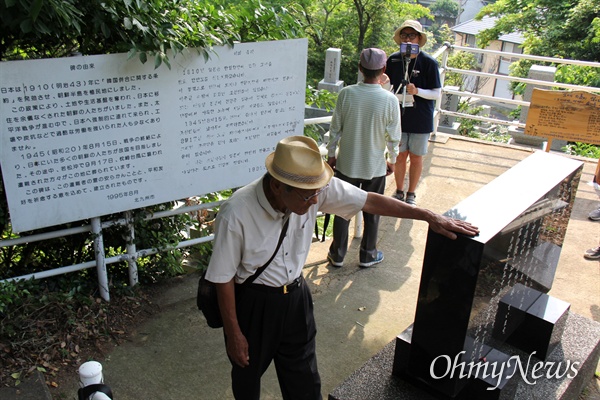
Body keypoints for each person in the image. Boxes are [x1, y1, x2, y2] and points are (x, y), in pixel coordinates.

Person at [204, 135, 479, 400]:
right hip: (255, 304)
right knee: (247, 375)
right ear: (278, 186)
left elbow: (369, 200)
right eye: (307, 197)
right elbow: (222, 277)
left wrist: (428, 216)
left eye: (318, 194)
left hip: (296, 298)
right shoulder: (237, 212)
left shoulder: (312, 188)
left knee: (305, 378)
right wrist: (234, 333)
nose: (316, 202)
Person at [326, 48, 401, 268]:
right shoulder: (389, 100)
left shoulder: (347, 94)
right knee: (373, 211)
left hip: (346, 163)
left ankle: (337, 254)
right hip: (374, 166)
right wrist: (393, 160)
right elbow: (394, 137)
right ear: (383, 69)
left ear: (360, 68)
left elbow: (335, 129)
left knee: (342, 210)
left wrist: (332, 155)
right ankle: (368, 254)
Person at [386, 20, 441, 206]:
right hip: (398, 117)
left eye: (412, 35)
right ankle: (399, 190)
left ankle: (411, 193)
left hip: (421, 117)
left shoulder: (429, 63)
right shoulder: (392, 60)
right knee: (400, 155)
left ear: (419, 38)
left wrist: (417, 91)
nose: (408, 39)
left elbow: (436, 93)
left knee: (416, 157)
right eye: (404, 35)